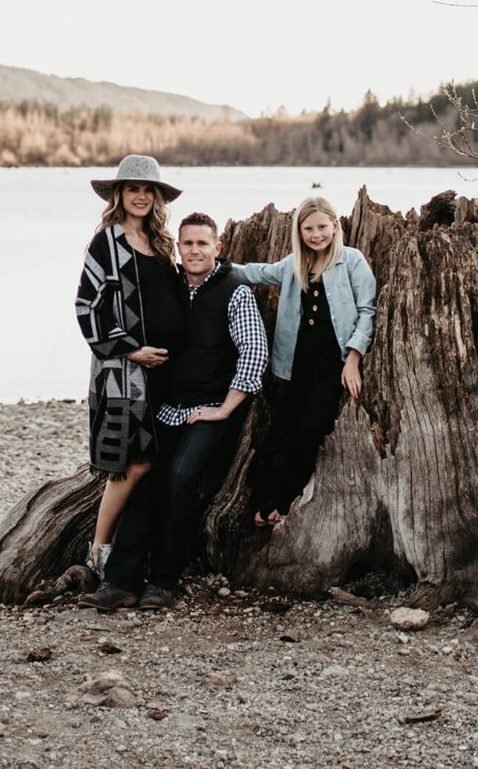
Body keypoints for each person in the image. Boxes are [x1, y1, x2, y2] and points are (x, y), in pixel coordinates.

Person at [80, 211, 268, 609]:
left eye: (203, 243)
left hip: (212, 408)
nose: (195, 250)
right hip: (168, 408)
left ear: (218, 248)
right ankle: (120, 581)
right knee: (146, 476)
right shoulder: (174, 285)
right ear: (177, 249)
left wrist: (224, 408)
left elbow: (255, 352)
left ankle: (163, 581)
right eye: (188, 244)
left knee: (182, 476)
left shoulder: (235, 290)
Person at [231, 195, 376, 526]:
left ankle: (285, 503)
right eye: (308, 228)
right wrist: (213, 263)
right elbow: (258, 273)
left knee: (312, 429)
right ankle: (265, 501)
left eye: (322, 226)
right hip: (295, 363)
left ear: (335, 226)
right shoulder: (294, 264)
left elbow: (368, 311)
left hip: (332, 362)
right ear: (299, 231)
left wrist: (353, 359)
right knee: (284, 429)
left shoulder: (351, 261)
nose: (316, 234)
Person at [74, 154, 188, 573]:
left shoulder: (162, 243)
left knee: (152, 464)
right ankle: (99, 552)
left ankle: (128, 549)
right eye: (132, 188)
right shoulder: (107, 241)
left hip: (164, 376)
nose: (140, 196)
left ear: (157, 197)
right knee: (128, 466)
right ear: (119, 194)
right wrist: (130, 349)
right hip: (124, 374)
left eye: (147, 190)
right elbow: (86, 307)